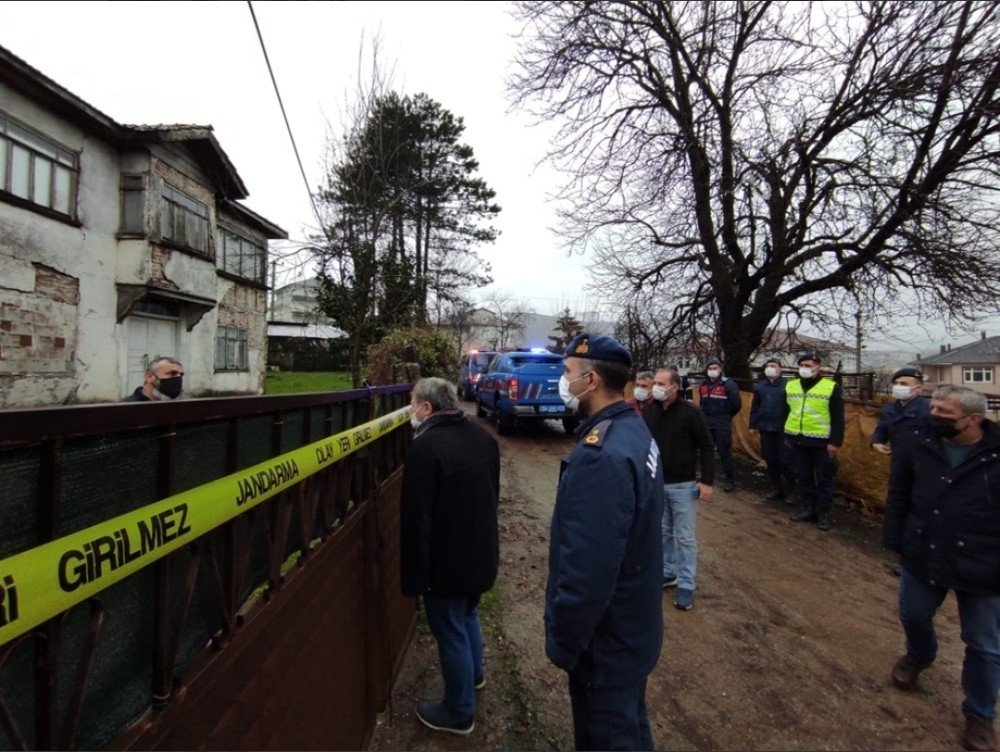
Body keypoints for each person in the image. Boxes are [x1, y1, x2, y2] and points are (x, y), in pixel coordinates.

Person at [546, 333, 664, 751]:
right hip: (632, 630)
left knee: (610, 735)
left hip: (606, 643)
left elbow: (588, 572)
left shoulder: (601, 455)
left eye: (567, 373)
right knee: (630, 729)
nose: (562, 381)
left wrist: (563, 642)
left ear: (591, 380)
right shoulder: (633, 429)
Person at [883, 386, 1000, 752]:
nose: (932, 415)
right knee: (913, 614)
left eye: (943, 411)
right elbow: (900, 489)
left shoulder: (994, 456)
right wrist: (895, 538)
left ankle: (980, 714)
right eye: (932, 407)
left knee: (983, 644)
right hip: (923, 551)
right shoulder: (919, 443)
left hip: (984, 564)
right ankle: (919, 653)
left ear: (973, 419)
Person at [400, 377, 500, 736]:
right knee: (468, 615)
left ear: (427, 408)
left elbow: (417, 519)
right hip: (481, 555)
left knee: (451, 631)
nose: (410, 411)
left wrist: (415, 576)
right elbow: (493, 497)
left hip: (447, 564)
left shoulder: (426, 448)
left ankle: (459, 712)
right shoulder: (482, 436)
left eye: (412, 404)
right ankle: (473, 678)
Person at [644, 367, 714, 611]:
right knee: (663, 532)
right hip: (658, 483)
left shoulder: (690, 413)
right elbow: (645, 446)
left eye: (661, 383)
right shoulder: (650, 411)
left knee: (684, 537)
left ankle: (686, 585)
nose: (656, 387)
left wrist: (706, 481)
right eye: (655, 382)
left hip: (684, 486)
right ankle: (668, 572)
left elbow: (706, 446)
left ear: (675, 387)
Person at [785, 353, 844, 531]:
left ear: (817, 366)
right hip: (797, 439)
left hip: (821, 442)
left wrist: (834, 442)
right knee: (803, 476)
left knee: (824, 478)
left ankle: (823, 512)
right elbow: (785, 411)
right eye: (801, 364)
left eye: (808, 364)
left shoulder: (830, 387)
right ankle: (808, 508)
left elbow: (838, 417)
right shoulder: (791, 385)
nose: (804, 367)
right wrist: (786, 436)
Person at [749, 358, 797, 502]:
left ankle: (792, 490)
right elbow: (755, 406)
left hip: (784, 429)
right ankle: (777, 488)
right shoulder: (760, 386)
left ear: (780, 369)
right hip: (765, 428)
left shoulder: (788, 386)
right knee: (770, 459)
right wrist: (752, 424)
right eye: (768, 366)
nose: (770, 368)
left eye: (773, 365)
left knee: (786, 461)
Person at [697, 357, 742, 492]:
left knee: (724, 452)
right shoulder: (703, 384)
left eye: (714, 368)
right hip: (707, 422)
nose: (712, 371)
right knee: (706, 450)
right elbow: (702, 403)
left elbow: (737, 405)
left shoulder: (728, 384)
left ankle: (730, 480)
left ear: (720, 369)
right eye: (710, 369)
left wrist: (726, 416)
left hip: (722, 423)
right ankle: (707, 476)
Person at [872, 366, 931, 455]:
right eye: (896, 383)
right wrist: (877, 441)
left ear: (918, 388)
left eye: (904, 384)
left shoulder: (928, 410)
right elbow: (882, 427)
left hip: (923, 463)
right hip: (898, 462)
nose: (898, 387)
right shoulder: (889, 409)